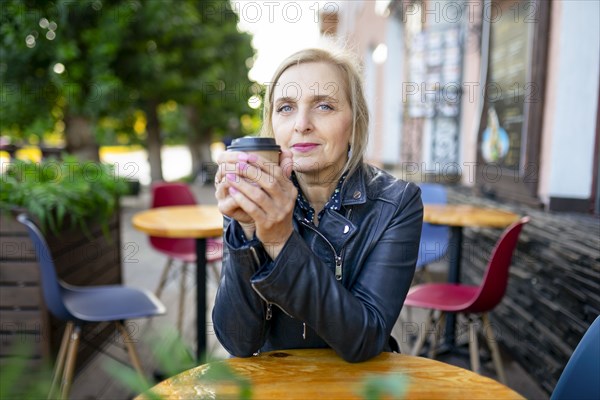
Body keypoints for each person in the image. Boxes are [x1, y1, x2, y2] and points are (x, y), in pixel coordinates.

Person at [212, 47, 423, 363]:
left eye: (324, 106)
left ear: (355, 121)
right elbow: (238, 341)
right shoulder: (253, 195)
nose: (302, 124)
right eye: (286, 107)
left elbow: (364, 340)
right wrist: (247, 232)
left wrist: (281, 241)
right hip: (277, 383)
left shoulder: (396, 202)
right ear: (272, 124)